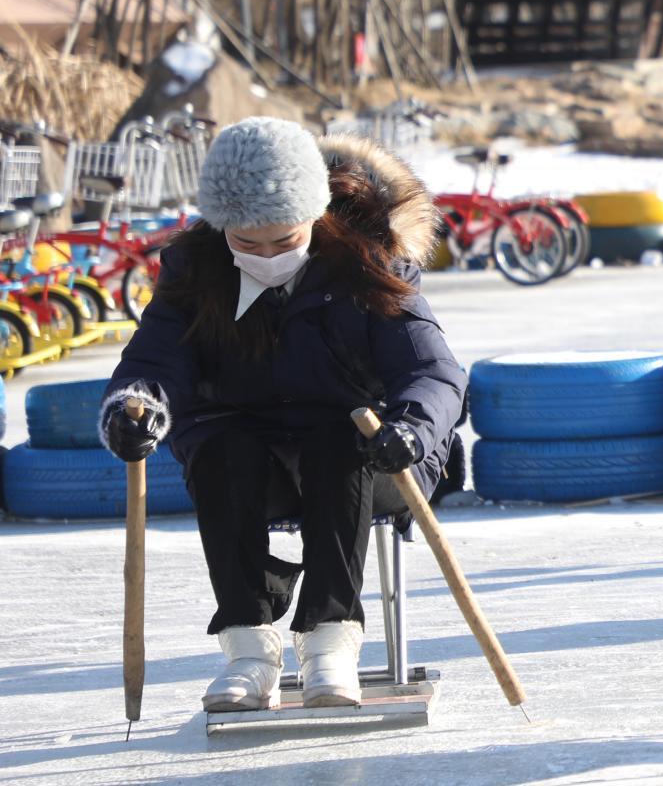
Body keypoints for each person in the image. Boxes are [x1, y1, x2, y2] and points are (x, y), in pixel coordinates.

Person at [98, 118, 467, 712]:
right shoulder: (195, 270)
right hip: (252, 457)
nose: (267, 255)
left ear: (316, 216)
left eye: (284, 240)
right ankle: (248, 648)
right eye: (247, 243)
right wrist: (132, 407)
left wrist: (413, 428)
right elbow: (153, 361)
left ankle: (329, 644)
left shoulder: (368, 261)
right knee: (219, 450)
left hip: (374, 457)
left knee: (337, 441)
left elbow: (434, 371)